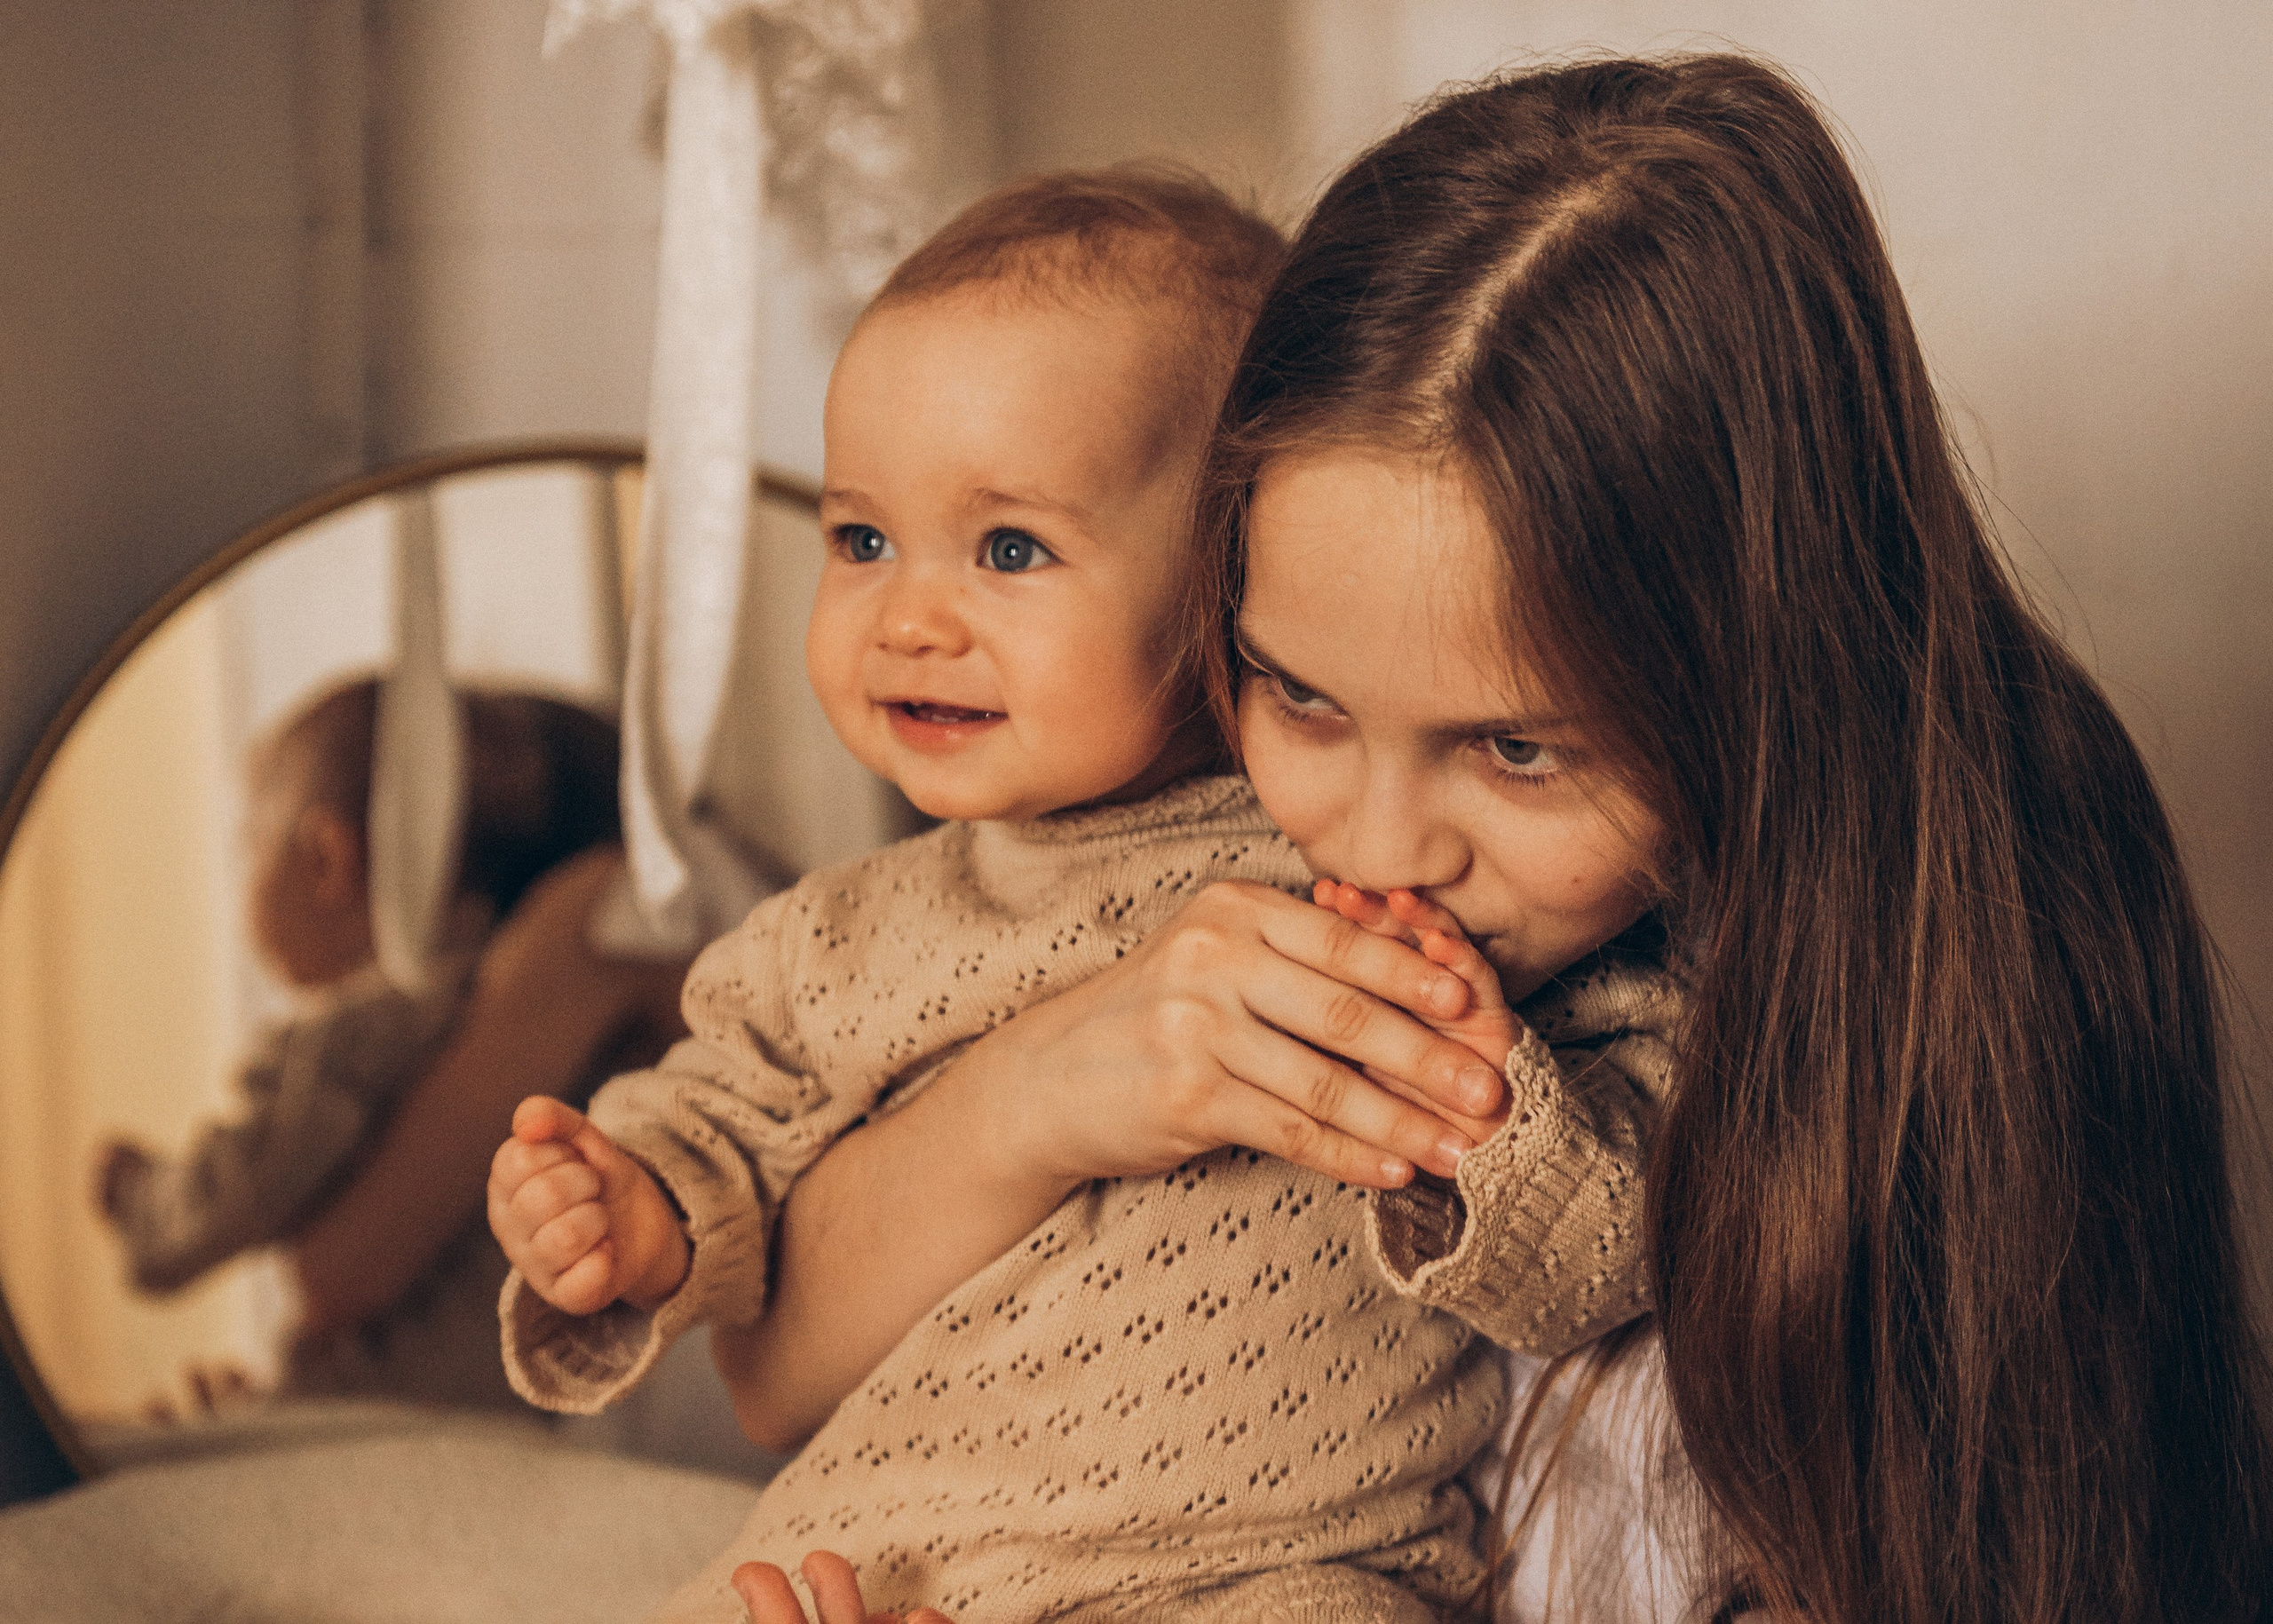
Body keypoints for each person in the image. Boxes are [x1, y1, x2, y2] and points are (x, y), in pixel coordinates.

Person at [725, 51, 2273, 1624]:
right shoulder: (1196, 857)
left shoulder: (1973, 982)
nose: (1379, 846)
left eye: (1519, 750)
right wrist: (1051, 1085)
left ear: (1757, 682)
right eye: (1300, 694)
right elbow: (772, 1380)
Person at [488, 166, 1681, 1623]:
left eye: (1009, 547)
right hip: (878, 1553)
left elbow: (1618, 1207)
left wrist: (1489, 1110)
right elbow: (723, 1145)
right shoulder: (836, 940)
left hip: (1280, 1570)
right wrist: (632, 1203)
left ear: (1232, 574)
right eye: (861, 538)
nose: (909, 614)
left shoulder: (1415, 890)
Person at [94, 676, 636, 1411]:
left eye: (250, 840)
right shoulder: (503, 993)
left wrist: (142, 1202)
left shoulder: (353, 1035)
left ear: (327, 860)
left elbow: (245, 1185)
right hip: (501, 1389)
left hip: (389, 1396)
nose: (243, 867)